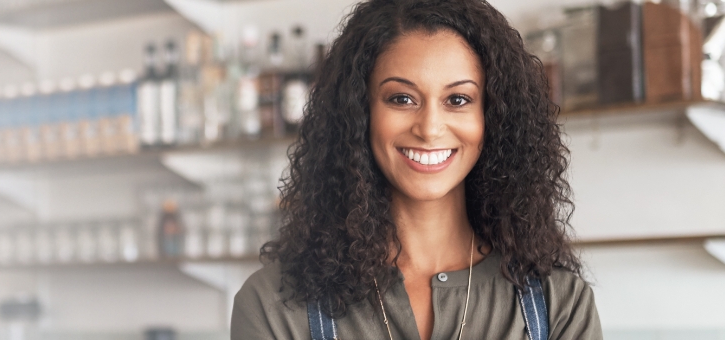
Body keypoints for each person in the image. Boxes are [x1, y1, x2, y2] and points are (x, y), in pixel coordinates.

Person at [230, 0, 600, 339]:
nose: (429, 127)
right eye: (401, 99)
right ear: (359, 114)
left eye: (458, 100)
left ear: (493, 118)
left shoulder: (558, 305)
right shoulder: (274, 306)